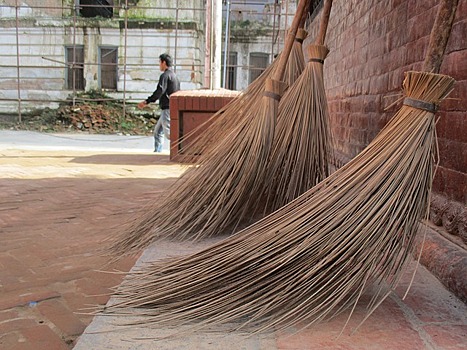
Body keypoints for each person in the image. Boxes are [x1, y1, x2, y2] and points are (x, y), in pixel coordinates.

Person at [138, 53, 180, 152]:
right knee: (158, 131)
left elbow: (160, 91)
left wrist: (147, 101)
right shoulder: (174, 76)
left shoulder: (165, 76)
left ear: (163, 62)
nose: (159, 65)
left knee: (170, 134)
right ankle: (157, 151)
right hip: (169, 107)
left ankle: (179, 150)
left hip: (167, 108)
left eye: (159, 62)